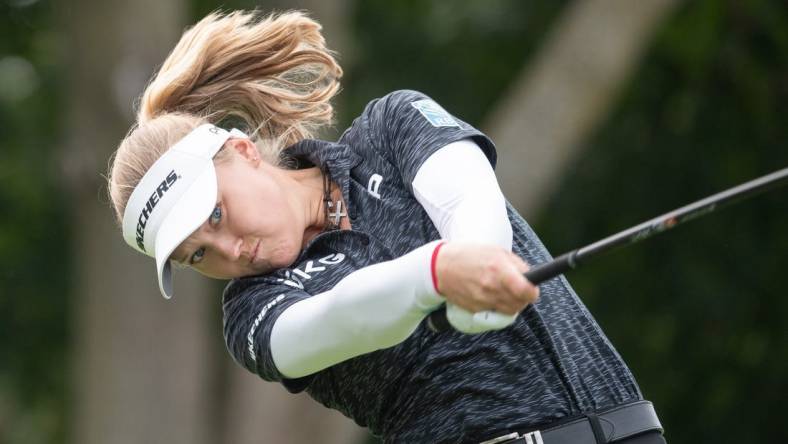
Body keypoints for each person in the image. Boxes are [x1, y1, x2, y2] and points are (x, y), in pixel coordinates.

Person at [107, 10, 666, 444]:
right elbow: (342, 315)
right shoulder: (253, 313)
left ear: (242, 150)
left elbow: (472, 204)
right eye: (197, 256)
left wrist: (474, 261)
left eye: (217, 215)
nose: (231, 250)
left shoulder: (388, 128)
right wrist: (437, 274)